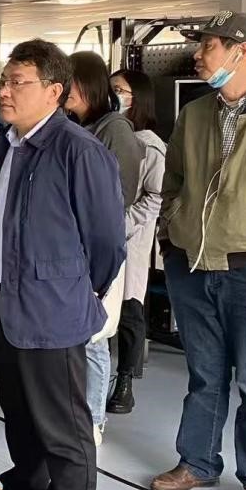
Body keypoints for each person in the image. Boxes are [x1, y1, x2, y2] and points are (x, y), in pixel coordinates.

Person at [0, 39, 125, 490]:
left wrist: (76, 292)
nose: (4, 92)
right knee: (20, 413)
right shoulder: (10, 143)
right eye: (4, 81)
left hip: (51, 309)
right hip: (5, 301)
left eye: (18, 83)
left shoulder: (79, 151)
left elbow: (107, 242)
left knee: (63, 426)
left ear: (54, 91)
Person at [150, 11, 246, 490]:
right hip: (191, 266)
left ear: (241, 51)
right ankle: (197, 462)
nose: (198, 54)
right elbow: (172, 182)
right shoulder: (194, 113)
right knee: (204, 374)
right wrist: (170, 237)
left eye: (208, 45)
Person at [66, 51, 144, 445]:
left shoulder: (115, 130)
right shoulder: (73, 125)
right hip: (69, 248)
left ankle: (93, 419)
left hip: (96, 248)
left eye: (70, 81)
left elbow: (120, 196)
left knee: (94, 337)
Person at [106, 69, 166, 414]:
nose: (114, 95)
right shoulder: (109, 132)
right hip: (102, 237)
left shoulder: (150, 144)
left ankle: (125, 380)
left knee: (130, 309)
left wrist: (121, 223)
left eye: (120, 90)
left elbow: (156, 195)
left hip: (131, 240)